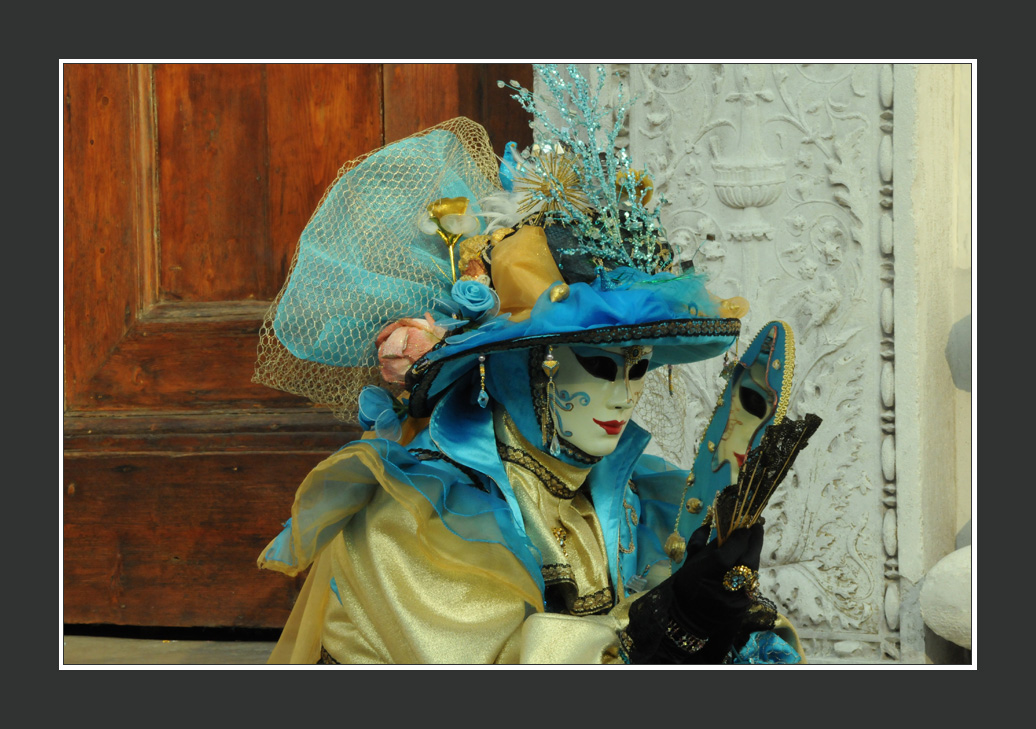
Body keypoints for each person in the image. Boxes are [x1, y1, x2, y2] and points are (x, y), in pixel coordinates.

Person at [254, 66, 805, 664]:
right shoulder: (419, 524)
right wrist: (667, 622)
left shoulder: (637, 499)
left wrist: (721, 622)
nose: (624, 398)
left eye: (638, 368)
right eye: (598, 365)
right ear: (522, 364)